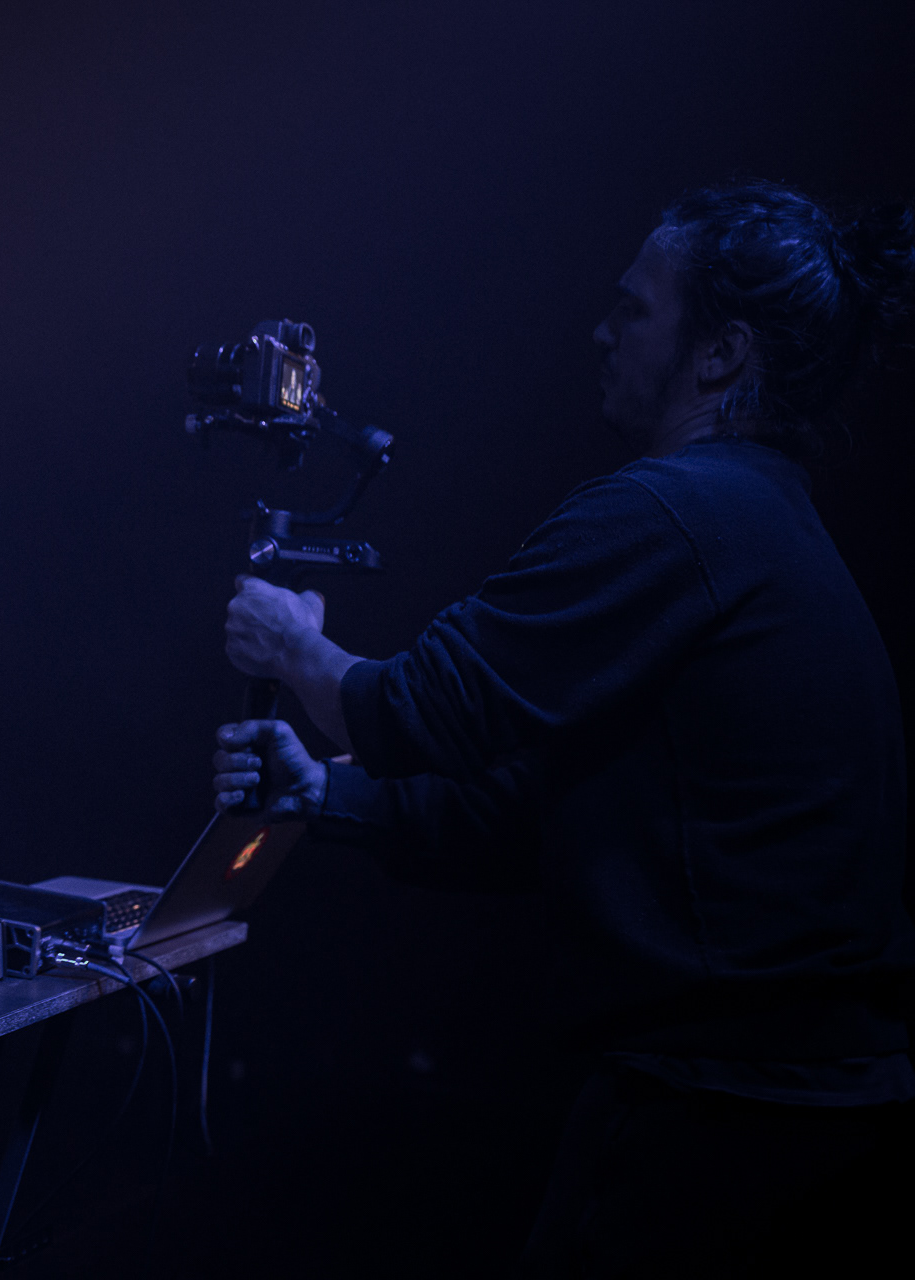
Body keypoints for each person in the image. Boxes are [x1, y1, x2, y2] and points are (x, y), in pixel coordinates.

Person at [211, 181, 914, 1275]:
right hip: (805, 1112)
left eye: (634, 309)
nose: (601, 330)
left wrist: (297, 646)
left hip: (718, 1124)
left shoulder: (675, 511)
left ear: (720, 354)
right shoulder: (762, 515)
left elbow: (420, 708)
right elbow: (542, 811)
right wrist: (321, 790)